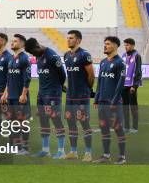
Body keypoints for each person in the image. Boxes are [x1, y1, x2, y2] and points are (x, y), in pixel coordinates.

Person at [25, 38, 67, 158]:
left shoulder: (52, 56)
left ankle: (61, 151)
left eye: (33, 52)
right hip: (42, 93)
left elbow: (62, 74)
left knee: (56, 120)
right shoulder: (39, 56)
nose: (33, 55)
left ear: (38, 46)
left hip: (52, 93)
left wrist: (59, 86)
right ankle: (45, 150)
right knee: (43, 121)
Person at [94, 37, 127, 164]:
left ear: (115, 46)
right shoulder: (103, 62)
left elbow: (120, 84)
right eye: (105, 44)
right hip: (102, 102)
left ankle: (122, 157)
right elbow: (100, 81)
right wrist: (97, 98)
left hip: (114, 103)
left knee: (118, 128)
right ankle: (106, 155)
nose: (105, 46)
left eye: (107, 44)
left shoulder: (120, 63)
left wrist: (114, 101)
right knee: (104, 128)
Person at [63, 30, 94, 162]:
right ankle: (73, 152)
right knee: (70, 123)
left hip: (82, 96)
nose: (68, 40)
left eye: (71, 38)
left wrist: (88, 89)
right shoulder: (66, 55)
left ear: (78, 40)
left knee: (84, 123)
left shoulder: (84, 55)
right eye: (68, 38)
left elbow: (91, 75)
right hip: (70, 96)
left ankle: (88, 153)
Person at [2, 34, 31, 154]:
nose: (12, 43)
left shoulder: (24, 58)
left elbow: (27, 78)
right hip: (11, 97)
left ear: (22, 44)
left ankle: (24, 148)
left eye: (15, 41)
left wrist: (23, 94)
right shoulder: (11, 59)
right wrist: (5, 94)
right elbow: (8, 79)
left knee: (22, 122)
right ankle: (15, 147)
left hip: (20, 97)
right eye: (12, 41)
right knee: (12, 122)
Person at [122, 38, 142, 133]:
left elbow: (138, 71)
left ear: (133, 45)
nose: (126, 47)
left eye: (128, 45)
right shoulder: (123, 56)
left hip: (132, 85)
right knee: (124, 107)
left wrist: (135, 86)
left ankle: (135, 127)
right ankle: (126, 127)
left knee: (133, 107)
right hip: (123, 85)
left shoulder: (137, 56)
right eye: (125, 45)